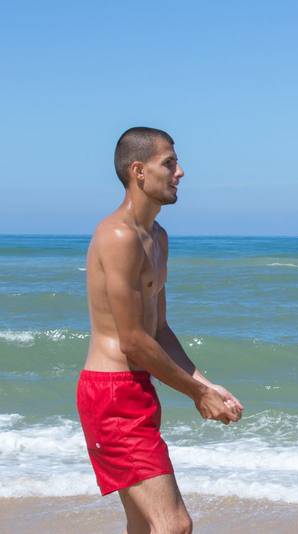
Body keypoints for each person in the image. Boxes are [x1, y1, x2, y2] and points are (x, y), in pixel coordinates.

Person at [77, 127, 243, 534]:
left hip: (135, 390)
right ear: (139, 171)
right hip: (111, 395)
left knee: (145, 525)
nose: (180, 172)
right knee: (174, 525)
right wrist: (197, 394)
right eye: (169, 163)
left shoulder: (157, 237)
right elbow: (133, 341)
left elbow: (160, 330)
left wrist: (207, 384)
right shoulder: (118, 236)